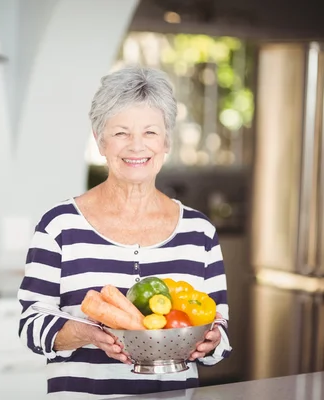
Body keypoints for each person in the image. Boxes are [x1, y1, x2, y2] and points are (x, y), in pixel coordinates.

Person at [17, 66, 232, 399]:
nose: (136, 146)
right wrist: (83, 333)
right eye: (121, 133)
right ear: (100, 140)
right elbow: (31, 325)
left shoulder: (198, 231)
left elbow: (219, 329)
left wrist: (213, 340)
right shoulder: (59, 225)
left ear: (166, 142)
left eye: (150, 132)